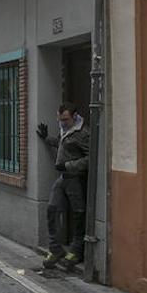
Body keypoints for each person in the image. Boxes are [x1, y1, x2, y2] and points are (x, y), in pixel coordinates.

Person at [36, 103, 90, 270]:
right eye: (59, 120)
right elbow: (62, 144)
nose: (62, 123)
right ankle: (56, 249)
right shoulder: (66, 129)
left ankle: (75, 251)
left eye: (65, 119)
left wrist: (68, 166)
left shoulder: (83, 133)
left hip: (75, 179)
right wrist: (47, 138)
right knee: (52, 208)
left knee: (78, 214)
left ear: (75, 116)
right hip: (63, 178)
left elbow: (90, 158)